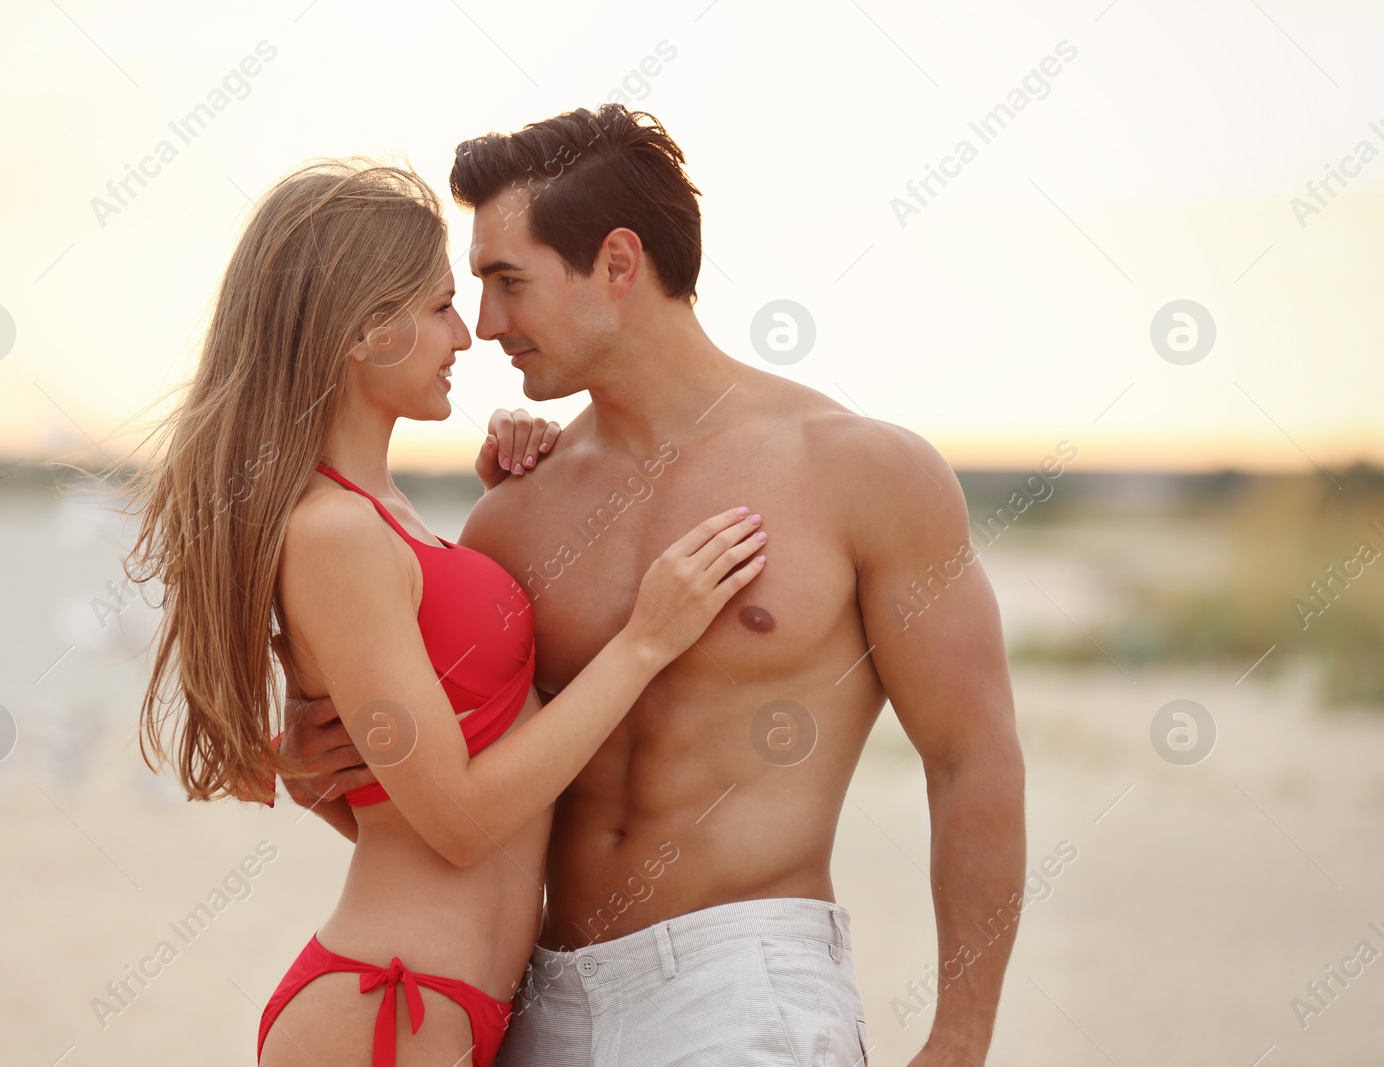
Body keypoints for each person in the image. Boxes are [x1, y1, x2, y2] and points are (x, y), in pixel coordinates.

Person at [278, 106, 1026, 1067]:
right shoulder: (512, 513)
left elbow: (974, 759)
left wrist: (959, 1042)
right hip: (536, 995)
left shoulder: (861, 472)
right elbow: (461, 804)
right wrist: (321, 777)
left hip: (743, 981)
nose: (486, 325)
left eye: (509, 283)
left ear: (619, 264)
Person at [119, 158, 768, 1067]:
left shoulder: (384, 515)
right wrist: (645, 640)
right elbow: (459, 822)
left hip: (447, 1005)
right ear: (361, 331)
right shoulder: (335, 530)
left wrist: (528, 477)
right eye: (436, 308)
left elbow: (408, 784)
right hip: (388, 1005)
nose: (466, 334)